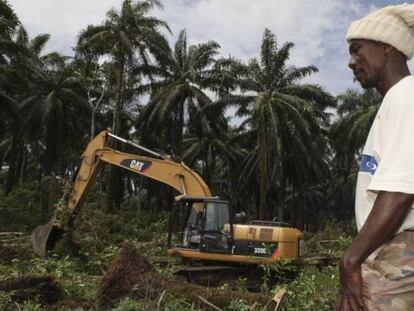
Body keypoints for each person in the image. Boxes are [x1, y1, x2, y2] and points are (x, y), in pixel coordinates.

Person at [336, 4, 414, 311]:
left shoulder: (406, 96)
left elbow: (401, 187)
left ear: (387, 48)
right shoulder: (396, 101)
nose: (350, 62)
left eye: (357, 50)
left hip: (405, 244)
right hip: (391, 245)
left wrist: (350, 259)